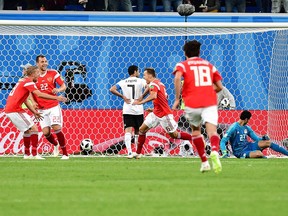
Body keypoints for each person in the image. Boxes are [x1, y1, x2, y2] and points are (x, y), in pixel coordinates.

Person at [172, 40, 223, 173]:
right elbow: (219, 87)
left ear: (185, 53)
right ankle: (215, 152)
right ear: (199, 52)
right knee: (212, 131)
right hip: (209, 102)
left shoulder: (182, 65)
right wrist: (208, 91)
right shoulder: (209, 65)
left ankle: (204, 162)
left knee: (196, 131)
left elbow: (177, 78)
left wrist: (177, 99)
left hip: (192, 102)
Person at [4, 66, 67, 159]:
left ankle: (26, 154)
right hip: (14, 109)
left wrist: (34, 112)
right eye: (37, 73)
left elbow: (25, 100)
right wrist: (57, 98)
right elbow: (39, 94)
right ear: (32, 74)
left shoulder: (22, 81)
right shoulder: (28, 82)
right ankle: (34, 154)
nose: (39, 75)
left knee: (27, 130)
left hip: (11, 109)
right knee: (34, 129)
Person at [132, 67, 193, 159]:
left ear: (149, 75)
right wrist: (153, 109)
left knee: (175, 135)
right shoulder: (160, 84)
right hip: (156, 113)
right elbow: (163, 99)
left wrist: (140, 102)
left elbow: (153, 96)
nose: (143, 77)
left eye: (144, 75)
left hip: (164, 115)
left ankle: (196, 138)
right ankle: (138, 153)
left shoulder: (153, 85)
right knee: (141, 130)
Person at [35, 54, 69, 159]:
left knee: (56, 127)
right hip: (41, 108)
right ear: (37, 63)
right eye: (42, 62)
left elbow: (64, 86)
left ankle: (65, 154)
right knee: (46, 133)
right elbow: (31, 91)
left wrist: (58, 90)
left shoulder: (53, 73)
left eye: (45, 61)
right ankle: (55, 145)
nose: (45, 63)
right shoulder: (34, 76)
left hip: (53, 106)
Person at [110, 65, 147, 158]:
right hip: (138, 108)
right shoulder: (141, 81)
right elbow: (149, 87)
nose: (139, 73)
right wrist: (142, 96)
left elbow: (112, 89)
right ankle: (137, 153)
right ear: (135, 72)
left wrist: (123, 96)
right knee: (138, 131)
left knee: (128, 131)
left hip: (127, 109)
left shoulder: (123, 82)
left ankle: (129, 152)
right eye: (138, 71)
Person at [220, 110, 288, 158]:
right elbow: (223, 141)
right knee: (259, 153)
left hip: (249, 146)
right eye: (249, 119)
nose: (249, 121)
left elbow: (257, 139)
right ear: (246, 119)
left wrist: (263, 138)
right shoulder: (233, 127)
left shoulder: (246, 128)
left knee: (268, 142)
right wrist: (224, 152)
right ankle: (264, 158)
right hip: (240, 151)